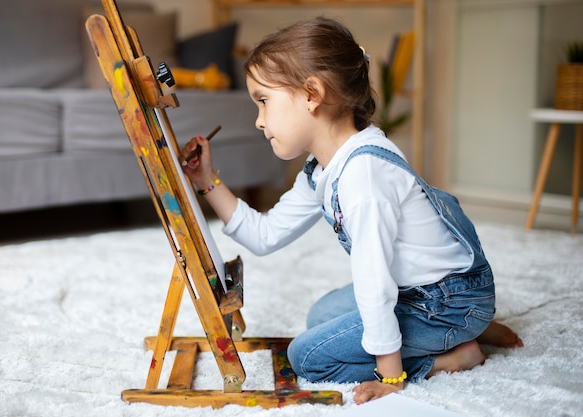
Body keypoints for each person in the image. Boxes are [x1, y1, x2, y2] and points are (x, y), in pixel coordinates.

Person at [181, 16, 523, 404]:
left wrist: (390, 376)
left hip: (444, 300)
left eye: (263, 101)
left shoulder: (363, 174)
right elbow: (264, 235)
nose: (259, 121)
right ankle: (466, 326)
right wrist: (206, 180)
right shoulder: (324, 168)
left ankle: (454, 350)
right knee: (320, 316)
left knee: (306, 355)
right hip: (425, 291)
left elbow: (374, 281)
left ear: (312, 94)